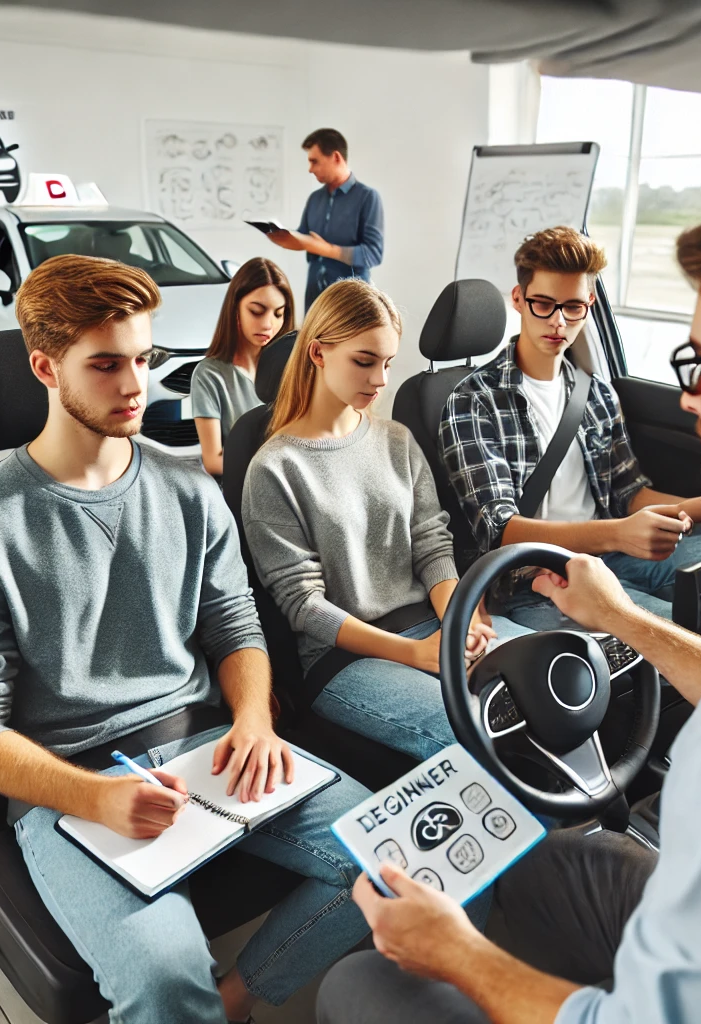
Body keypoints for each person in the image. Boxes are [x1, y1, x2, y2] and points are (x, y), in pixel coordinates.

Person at [317, 171, 701, 1024]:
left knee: (356, 985)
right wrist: (627, 618)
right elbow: (486, 528)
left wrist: (451, 951)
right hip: (533, 583)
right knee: (547, 866)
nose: (690, 395)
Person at [0, 254, 371, 1024]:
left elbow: (236, 627)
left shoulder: (190, 489)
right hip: (69, 781)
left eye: (145, 361)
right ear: (44, 368)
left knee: (396, 854)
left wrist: (254, 721)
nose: (135, 387)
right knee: (161, 983)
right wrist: (95, 796)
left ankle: (238, 999)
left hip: (208, 744)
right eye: (106, 365)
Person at [242, 279, 529, 761]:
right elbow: (305, 605)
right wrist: (415, 653)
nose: (380, 381)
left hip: (430, 624)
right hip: (345, 658)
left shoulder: (397, 440)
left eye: (388, 363)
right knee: (483, 734)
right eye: (364, 361)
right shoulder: (274, 468)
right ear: (318, 354)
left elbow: (433, 548)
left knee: (555, 676)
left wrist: (457, 622)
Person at [440, 225, 701, 627]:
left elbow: (629, 494)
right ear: (519, 300)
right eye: (543, 304)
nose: (558, 322)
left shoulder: (595, 393)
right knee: (676, 635)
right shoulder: (473, 400)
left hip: (611, 554)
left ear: (590, 304)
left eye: (573, 307)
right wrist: (618, 533)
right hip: (532, 579)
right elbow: (502, 531)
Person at [192, 257, 295, 478]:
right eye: (257, 311)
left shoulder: (291, 369)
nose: (268, 324)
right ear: (235, 308)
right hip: (242, 490)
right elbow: (213, 461)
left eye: (278, 314)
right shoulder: (209, 375)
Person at [267, 128, 384, 309]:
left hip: (350, 300)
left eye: (315, 161)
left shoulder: (367, 197)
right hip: (315, 298)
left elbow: (373, 254)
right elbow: (304, 238)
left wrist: (327, 249)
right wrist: (283, 238)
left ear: (336, 157)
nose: (310, 169)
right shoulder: (315, 199)